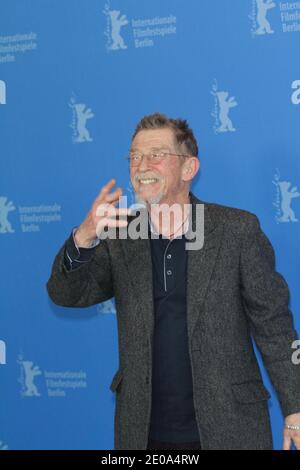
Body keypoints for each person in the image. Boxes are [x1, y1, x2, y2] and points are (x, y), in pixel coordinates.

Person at [46, 112, 300, 450]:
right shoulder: (120, 235)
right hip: (143, 432)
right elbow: (66, 294)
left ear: (189, 168)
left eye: (155, 155)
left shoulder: (236, 230)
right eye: (134, 156)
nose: (141, 165)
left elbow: (274, 327)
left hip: (229, 427)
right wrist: (84, 237)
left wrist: (295, 408)